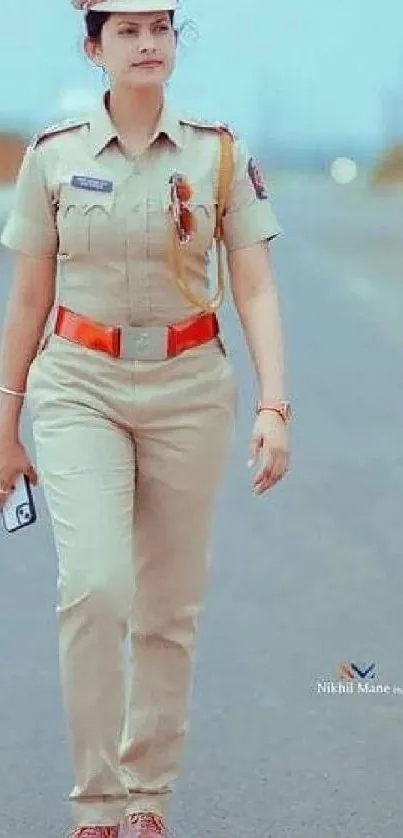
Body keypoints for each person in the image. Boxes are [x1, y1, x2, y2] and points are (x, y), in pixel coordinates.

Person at [0, 1, 291, 836]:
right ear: (94, 48)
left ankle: (145, 800)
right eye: (125, 31)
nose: (147, 43)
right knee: (95, 587)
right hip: (77, 383)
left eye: (159, 28)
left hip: (189, 387)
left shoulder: (219, 154)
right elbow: (27, 298)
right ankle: (92, 802)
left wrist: (274, 405)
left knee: (167, 607)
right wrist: (4, 425)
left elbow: (256, 287)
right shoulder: (53, 157)